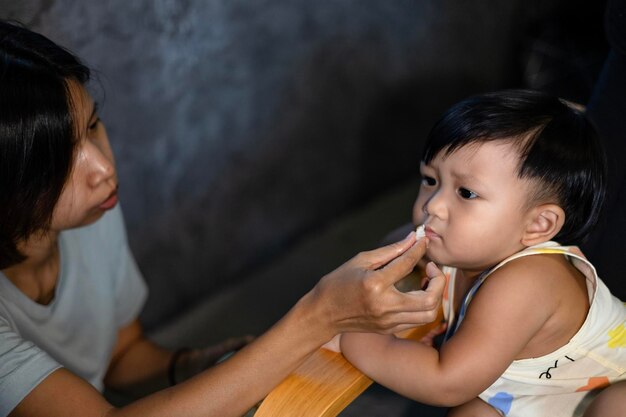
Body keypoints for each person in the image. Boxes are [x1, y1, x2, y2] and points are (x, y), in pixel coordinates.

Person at [0, 20, 447, 417]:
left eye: (94, 126)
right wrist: (320, 315)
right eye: (58, 163)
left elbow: (119, 355)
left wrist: (193, 366)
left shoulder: (88, 214)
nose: (103, 169)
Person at [326, 90, 626, 416]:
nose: (433, 205)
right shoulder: (454, 247)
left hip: (613, 381)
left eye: (466, 192)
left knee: (616, 406)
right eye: (430, 180)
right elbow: (387, 251)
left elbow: (447, 382)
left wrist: (352, 337)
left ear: (538, 224)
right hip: (535, 394)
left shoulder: (530, 280)